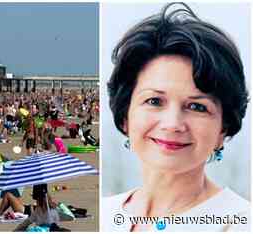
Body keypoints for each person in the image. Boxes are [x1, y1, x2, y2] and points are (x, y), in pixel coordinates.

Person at [102, 3, 250, 232]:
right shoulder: (104, 215)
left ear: (223, 128)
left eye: (197, 107)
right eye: (154, 101)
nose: (172, 124)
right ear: (125, 116)